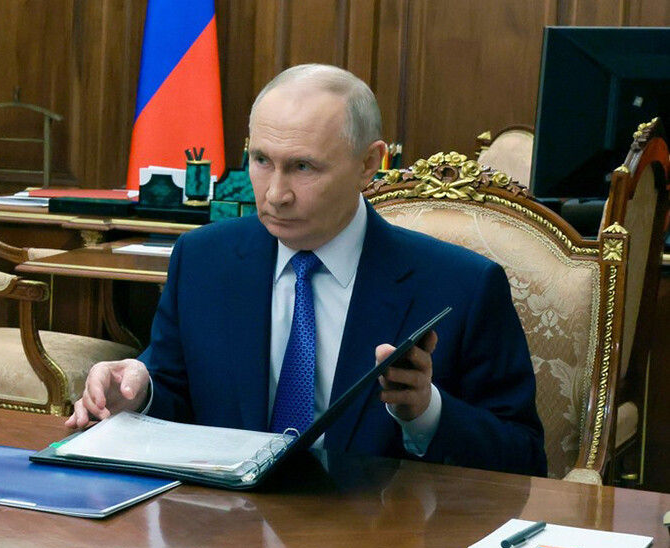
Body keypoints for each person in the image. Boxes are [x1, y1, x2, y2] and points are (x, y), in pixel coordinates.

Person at [67, 64, 547, 477]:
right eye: (261, 161)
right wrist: (138, 394)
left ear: (368, 164)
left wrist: (426, 412)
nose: (276, 194)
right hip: (225, 537)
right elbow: (176, 390)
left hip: (382, 539)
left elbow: (524, 460)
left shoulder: (461, 286)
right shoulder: (203, 260)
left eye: (303, 167)